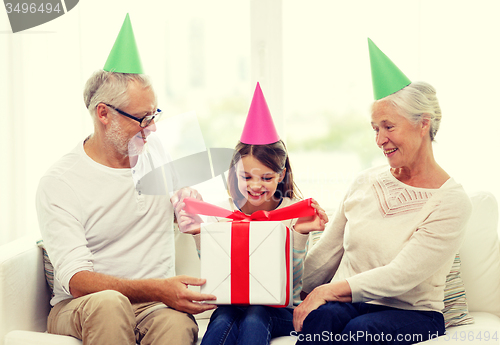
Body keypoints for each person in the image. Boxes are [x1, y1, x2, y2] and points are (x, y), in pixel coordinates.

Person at [35, 14, 215, 345]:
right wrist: (158, 287)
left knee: (177, 325)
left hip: (154, 306)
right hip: (82, 305)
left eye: (155, 114)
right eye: (142, 118)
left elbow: (199, 218)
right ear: (103, 114)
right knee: (110, 303)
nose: (153, 126)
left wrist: (194, 212)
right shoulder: (60, 182)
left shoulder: (160, 156)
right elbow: (76, 280)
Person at [292, 39, 472, 345]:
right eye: (375, 128)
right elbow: (327, 255)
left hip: (414, 314)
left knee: (361, 331)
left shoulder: (452, 201)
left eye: (388, 127)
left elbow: (401, 274)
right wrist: (288, 291)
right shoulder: (364, 181)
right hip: (351, 304)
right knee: (323, 317)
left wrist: (326, 292)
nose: (379, 140)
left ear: (422, 124)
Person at [175, 83, 329, 345]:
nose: (256, 186)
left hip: (279, 311)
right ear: (235, 171)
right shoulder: (222, 211)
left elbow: (293, 287)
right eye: (247, 176)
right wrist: (200, 235)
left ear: (281, 175)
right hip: (232, 305)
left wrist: (300, 235)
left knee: (256, 314)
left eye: (267, 177)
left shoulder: (293, 212)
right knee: (223, 317)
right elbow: (217, 276)